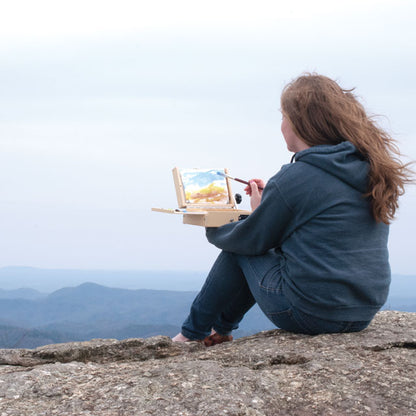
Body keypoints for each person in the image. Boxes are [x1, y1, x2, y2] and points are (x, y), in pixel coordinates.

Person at [172, 73, 413, 346]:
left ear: (299, 123)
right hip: (362, 312)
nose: (282, 125)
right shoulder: (369, 169)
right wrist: (264, 208)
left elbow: (249, 241)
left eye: (284, 117)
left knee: (239, 250)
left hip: (310, 314)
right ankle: (221, 329)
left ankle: (191, 335)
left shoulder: (297, 177)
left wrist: (212, 221)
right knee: (261, 249)